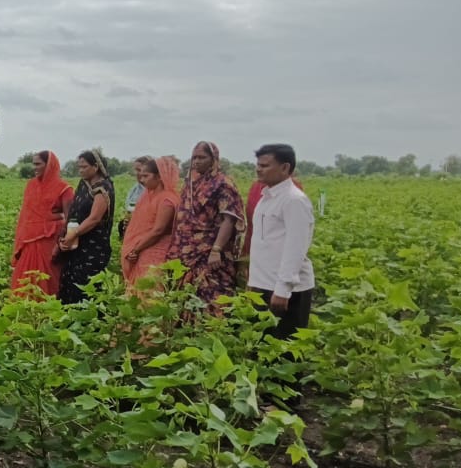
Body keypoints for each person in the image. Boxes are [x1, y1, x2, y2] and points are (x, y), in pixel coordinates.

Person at [167, 141, 246, 311]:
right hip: (187, 251)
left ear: (214, 159)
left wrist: (216, 250)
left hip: (210, 253)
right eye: (194, 157)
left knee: (211, 297)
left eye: (202, 157)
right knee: (185, 297)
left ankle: (212, 334)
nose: (196, 161)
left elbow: (229, 220)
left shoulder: (223, 184)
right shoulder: (191, 184)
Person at [248, 144, 315, 340]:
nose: (258, 169)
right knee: (262, 346)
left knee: (284, 351)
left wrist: (283, 289)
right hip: (265, 284)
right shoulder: (266, 197)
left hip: (286, 291)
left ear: (285, 168)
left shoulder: (294, 200)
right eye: (258, 164)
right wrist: (255, 283)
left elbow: (296, 248)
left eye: (265, 165)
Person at [10, 151, 73, 297]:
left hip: (50, 241)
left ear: (49, 165)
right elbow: (26, 214)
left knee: (48, 278)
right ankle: (24, 314)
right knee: (25, 279)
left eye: (38, 164)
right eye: (34, 164)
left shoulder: (64, 189)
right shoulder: (31, 185)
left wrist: (61, 243)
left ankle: (47, 315)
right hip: (29, 241)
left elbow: (70, 219)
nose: (34, 167)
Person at [57, 150, 116, 304]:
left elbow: (94, 218)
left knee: (86, 287)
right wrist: (66, 235)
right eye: (79, 167)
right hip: (76, 243)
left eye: (84, 167)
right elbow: (73, 212)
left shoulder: (103, 188)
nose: (80, 170)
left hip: (93, 246)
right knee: (69, 282)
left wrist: (73, 234)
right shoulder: (84, 185)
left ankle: (88, 324)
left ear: (95, 166)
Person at [121, 156, 182, 289]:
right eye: (141, 176)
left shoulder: (167, 200)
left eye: (146, 176)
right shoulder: (147, 196)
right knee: (136, 294)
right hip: (143, 249)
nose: (141, 180)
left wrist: (136, 249)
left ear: (160, 176)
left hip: (155, 252)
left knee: (150, 292)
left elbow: (158, 230)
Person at [118, 157, 149, 239]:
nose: (136, 173)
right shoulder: (134, 189)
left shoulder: (152, 191)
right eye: (136, 170)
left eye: (139, 170)